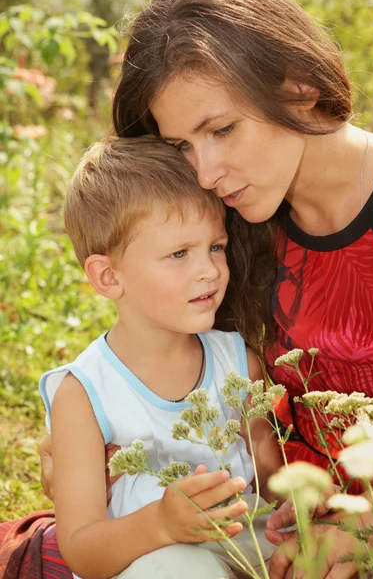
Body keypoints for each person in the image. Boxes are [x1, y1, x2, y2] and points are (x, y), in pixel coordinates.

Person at [38, 0, 373, 577]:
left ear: (301, 88)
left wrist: (367, 528)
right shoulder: (229, 222)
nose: (204, 172)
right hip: (264, 528)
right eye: (181, 144)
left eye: (222, 129)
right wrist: (92, 454)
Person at [38, 135, 280, 579]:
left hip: (248, 546)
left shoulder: (237, 363)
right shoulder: (85, 394)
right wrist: (161, 524)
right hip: (158, 563)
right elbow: (80, 548)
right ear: (109, 276)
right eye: (178, 254)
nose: (209, 269)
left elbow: (269, 468)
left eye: (216, 246)